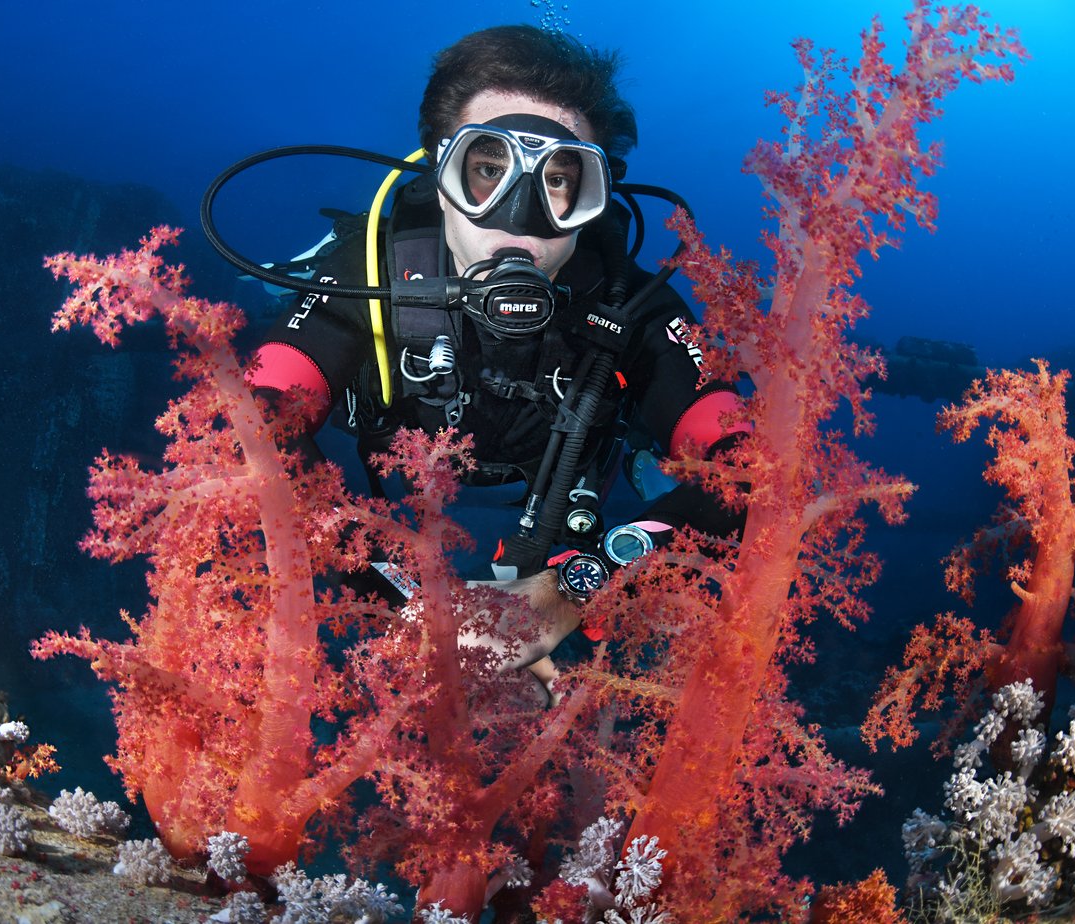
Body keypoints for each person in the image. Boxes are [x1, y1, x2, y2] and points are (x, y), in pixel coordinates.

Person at [244, 25, 747, 679]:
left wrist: (579, 586)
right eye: (488, 170)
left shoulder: (636, 308)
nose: (520, 215)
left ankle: (642, 467)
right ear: (440, 174)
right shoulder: (366, 273)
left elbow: (752, 469)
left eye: (559, 180)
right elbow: (248, 418)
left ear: (593, 199)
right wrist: (398, 599)